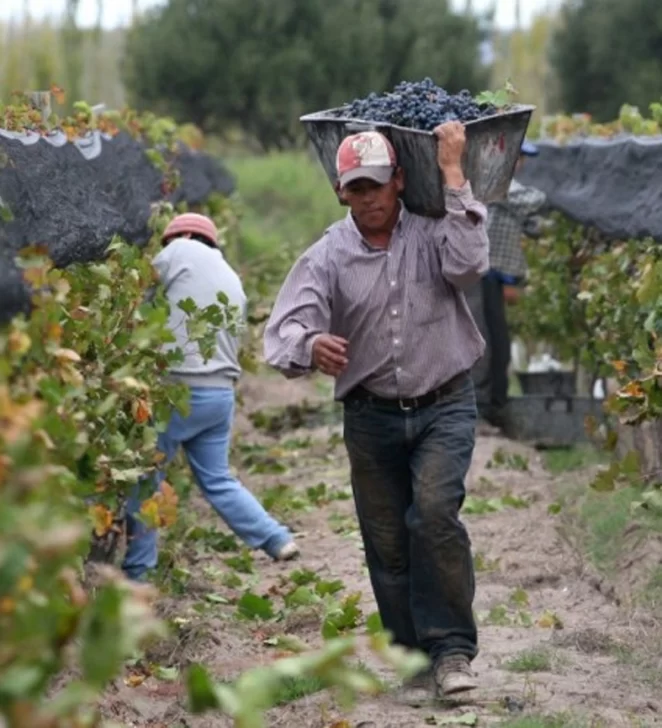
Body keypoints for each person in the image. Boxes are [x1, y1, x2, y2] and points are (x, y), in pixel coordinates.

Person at [264, 124, 489, 704]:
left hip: (445, 402)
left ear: (400, 181)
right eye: (356, 188)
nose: (370, 198)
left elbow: (470, 267)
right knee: (386, 544)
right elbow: (284, 329)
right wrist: (310, 345)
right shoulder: (327, 255)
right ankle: (413, 658)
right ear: (341, 192)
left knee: (434, 515)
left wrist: (455, 175)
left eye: (379, 185)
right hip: (370, 417)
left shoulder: (437, 230)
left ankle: (452, 653)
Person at [122, 213, 299, 582]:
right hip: (219, 396)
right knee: (218, 479)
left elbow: (137, 297)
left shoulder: (178, 251)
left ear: (182, 235)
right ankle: (276, 538)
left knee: (144, 481)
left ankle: (138, 573)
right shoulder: (231, 276)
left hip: (178, 392)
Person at [468, 140, 546, 430]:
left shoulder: (504, 190)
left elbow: (533, 224)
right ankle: (480, 409)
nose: (521, 163)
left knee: (498, 343)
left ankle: (494, 406)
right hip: (480, 272)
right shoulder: (491, 185)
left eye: (523, 158)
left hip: (495, 273)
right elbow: (531, 201)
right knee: (485, 341)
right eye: (517, 156)